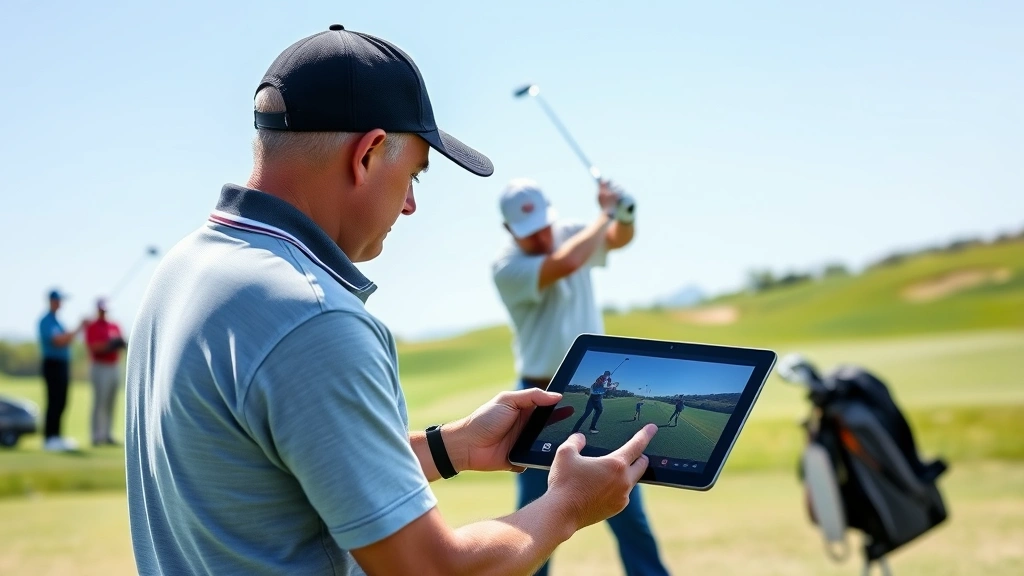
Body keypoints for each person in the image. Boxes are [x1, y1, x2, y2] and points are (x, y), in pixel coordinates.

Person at [125, 25, 657, 576]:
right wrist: (566, 508)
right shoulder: (315, 317)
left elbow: (282, 467)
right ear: (369, 153)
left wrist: (452, 446)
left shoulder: (185, 266)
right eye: (414, 177)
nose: (409, 205)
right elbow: (426, 569)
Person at [491, 178, 670, 576]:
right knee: (537, 515)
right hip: (540, 399)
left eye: (542, 225)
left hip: (594, 391)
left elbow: (618, 239)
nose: (539, 237)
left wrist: (623, 214)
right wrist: (604, 214)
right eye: (527, 232)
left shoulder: (575, 232)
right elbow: (568, 262)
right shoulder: (507, 268)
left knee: (624, 504)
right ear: (509, 231)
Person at [37, 289, 83, 452]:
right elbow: (58, 340)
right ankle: (49, 438)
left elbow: (66, 339)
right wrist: (78, 328)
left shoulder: (57, 321)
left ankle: (57, 436)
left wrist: (76, 331)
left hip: (62, 364)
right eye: (58, 300)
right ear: (51, 301)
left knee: (62, 400)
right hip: (52, 364)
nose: (60, 303)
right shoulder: (46, 321)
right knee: (54, 400)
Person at [84, 298, 125, 446]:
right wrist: (109, 345)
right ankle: (96, 436)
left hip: (114, 365)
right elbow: (93, 347)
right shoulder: (92, 326)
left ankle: (108, 435)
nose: (104, 312)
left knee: (111, 402)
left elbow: (121, 342)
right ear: (97, 309)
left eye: (106, 309)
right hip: (99, 366)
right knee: (99, 402)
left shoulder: (114, 325)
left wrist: (120, 344)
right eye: (102, 309)